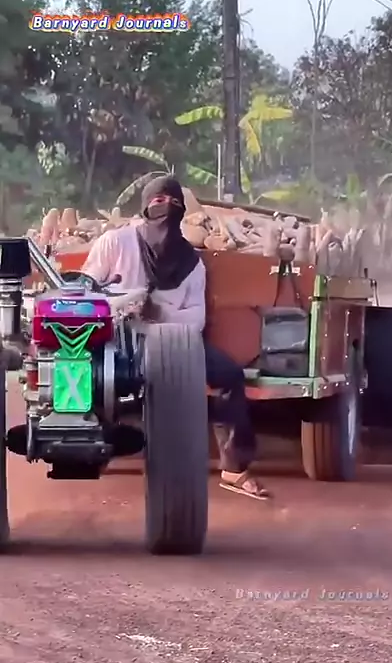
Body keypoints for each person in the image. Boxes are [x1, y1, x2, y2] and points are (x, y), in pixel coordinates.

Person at [82, 175, 269, 500]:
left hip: (173, 344)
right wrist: (123, 305)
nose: (166, 208)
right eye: (158, 201)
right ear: (145, 208)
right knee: (91, 371)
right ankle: (96, 446)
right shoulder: (116, 243)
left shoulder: (192, 264)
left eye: (174, 203)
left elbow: (195, 320)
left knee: (229, 376)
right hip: (118, 341)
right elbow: (85, 292)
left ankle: (234, 468)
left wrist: (159, 313)